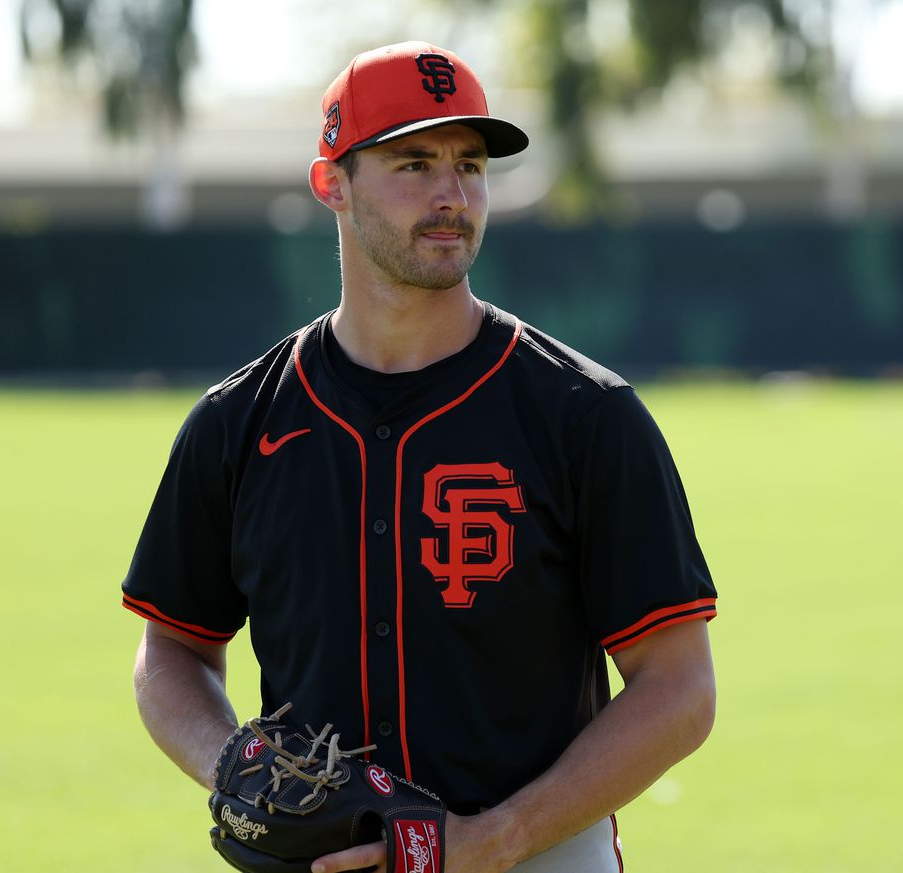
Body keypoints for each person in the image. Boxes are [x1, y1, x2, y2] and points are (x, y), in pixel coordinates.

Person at [122, 41, 717, 873]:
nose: (452, 194)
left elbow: (680, 689)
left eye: (469, 165)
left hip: (537, 854)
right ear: (332, 183)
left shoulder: (585, 415)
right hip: (320, 858)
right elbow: (171, 649)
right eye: (413, 163)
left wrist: (499, 835)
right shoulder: (238, 423)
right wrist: (231, 764)